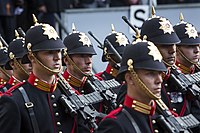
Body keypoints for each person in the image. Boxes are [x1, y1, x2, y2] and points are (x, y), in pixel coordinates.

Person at [0, 18, 77, 132]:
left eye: (58, 51)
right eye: (50, 52)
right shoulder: (15, 100)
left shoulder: (70, 93)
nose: (57, 57)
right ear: (32, 57)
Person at [96, 35, 167, 133]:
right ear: (130, 78)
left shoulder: (162, 119)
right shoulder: (115, 125)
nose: (159, 80)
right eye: (150, 74)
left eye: (160, 73)